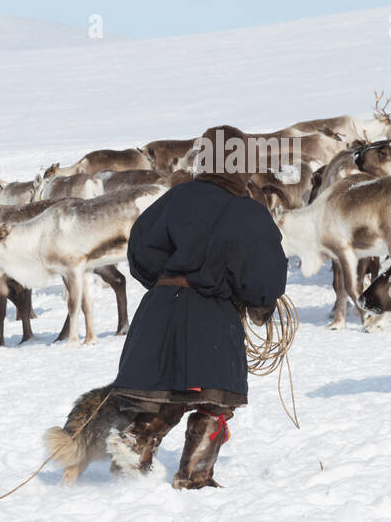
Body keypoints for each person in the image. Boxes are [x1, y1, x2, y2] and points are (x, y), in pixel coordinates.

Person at [107, 126, 288, 489]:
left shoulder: (174, 198)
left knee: (168, 392)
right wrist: (260, 305)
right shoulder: (247, 212)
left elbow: (140, 250)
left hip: (157, 313)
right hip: (212, 318)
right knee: (214, 400)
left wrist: (165, 283)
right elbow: (263, 274)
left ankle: (136, 444)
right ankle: (195, 475)